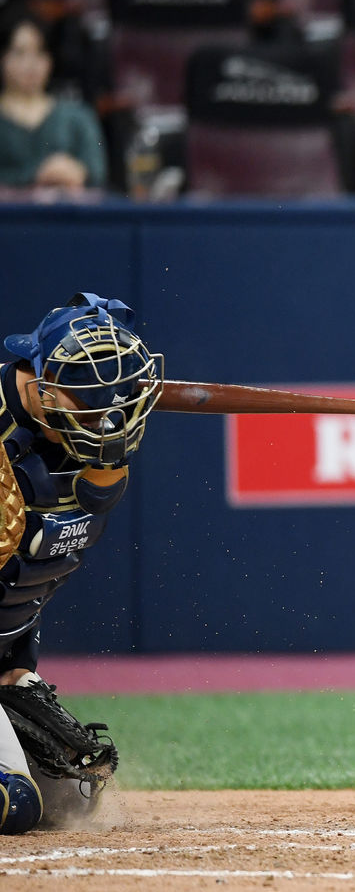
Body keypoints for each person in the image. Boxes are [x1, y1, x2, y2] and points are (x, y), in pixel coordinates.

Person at [0, 293, 163, 833]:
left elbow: (91, 502)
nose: (108, 416)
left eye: (116, 397)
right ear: (40, 384)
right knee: (12, 804)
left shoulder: (91, 436)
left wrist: (13, 673)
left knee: (69, 797)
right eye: (89, 398)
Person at [0, 7, 107, 193]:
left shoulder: (78, 117)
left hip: (67, 218)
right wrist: (38, 175)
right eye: (20, 52)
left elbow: (97, 174)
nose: (31, 64)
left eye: (40, 52)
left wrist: (76, 173)